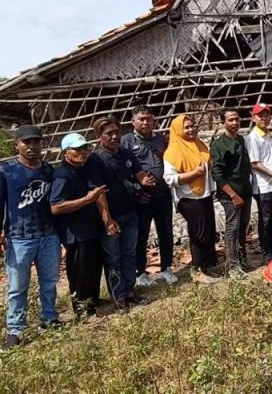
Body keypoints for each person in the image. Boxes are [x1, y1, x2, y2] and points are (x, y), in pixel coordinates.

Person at [0, 125, 60, 349]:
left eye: (35, 142)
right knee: (18, 286)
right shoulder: (5, 171)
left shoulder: (48, 171)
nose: (31, 147)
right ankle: (15, 329)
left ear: (42, 144)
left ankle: (49, 318)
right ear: (16, 145)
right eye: (26, 143)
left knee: (49, 282)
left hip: (48, 235)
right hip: (19, 237)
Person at [84, 117, 157, 309]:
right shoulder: (95, 159)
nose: (115, 136)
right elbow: (99, 193)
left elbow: (139, 174)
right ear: (98, 136)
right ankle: (119, 297)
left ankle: (130, 291)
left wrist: (143, 185)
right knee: (113, 258)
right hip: (111, 216)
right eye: (109, 133)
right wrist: (107, 220)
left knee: (129, 254)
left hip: (130, 212)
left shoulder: (125, 154)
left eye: (117, 131)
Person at [49, 133, 107, 321]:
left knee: (93, 268)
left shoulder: (82, 169)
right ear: (66, 152)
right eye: (77, 149)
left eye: (85, 148)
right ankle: (82, 311)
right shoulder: (62, 175)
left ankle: (93, 302)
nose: (82, 152)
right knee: (80, 272)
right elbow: (56, 207)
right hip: (75, 233)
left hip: (89, 229)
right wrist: (87, 200)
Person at [121, 105, 177, 286]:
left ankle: (166, 268)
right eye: (141, 119)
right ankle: (140, 272)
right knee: (142, 235)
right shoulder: (126, 142)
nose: (145, 122)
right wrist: (137, 190)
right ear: (133, 122)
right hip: (142, 198)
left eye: (149, 119)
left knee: (166, 232)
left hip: (163, 195)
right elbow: (121, 172)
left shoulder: (161, 140)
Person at [163, 114, 221, 284]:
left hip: (204, 194)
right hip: (189, 198)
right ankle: (197, 271)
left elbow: (207, 163)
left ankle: (207, 266)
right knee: (198, 234)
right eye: (186, 127)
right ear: (177, 130)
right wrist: (193, 174)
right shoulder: (173, 151)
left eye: (192, 126)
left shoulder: (198, 144)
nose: (190, 130)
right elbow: (169, 179)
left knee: (208, 231)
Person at [209, 109, 253, 274]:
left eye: (237, 119)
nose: (235, 123)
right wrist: (233, 195)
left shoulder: (241, 140)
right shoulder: (219, 145)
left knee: (243, 227)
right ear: (223, 123)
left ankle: (242, 260)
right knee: (232, 229)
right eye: (231, 120)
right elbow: (217, 174)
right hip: (231, 195)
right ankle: (233, 266)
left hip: (245, 192)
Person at [246, 103, 272, 264]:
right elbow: (254, 163)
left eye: (266, 115)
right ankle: (267, 252)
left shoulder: (269, 134)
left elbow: (270, 156)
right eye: (260, 115)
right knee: (266, 220)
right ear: (253, 117)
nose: (264, 118)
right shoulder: (252, 137)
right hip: (263, 186)